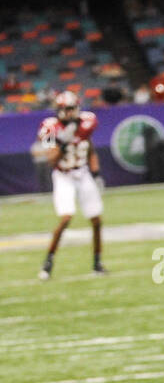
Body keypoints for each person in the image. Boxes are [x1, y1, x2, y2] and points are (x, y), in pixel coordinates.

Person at [35, 91, 105, 280]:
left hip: (82, 173)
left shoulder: (87, 122)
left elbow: (89, 148)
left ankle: (97, 263)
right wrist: (62, 142)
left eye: (71, 108)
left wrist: (96, 173)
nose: (68, 112)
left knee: (97, 220)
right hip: (63, 175)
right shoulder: (49, 127)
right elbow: (51, 160)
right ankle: (48, 261)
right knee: (66, 218)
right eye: (64, 109)